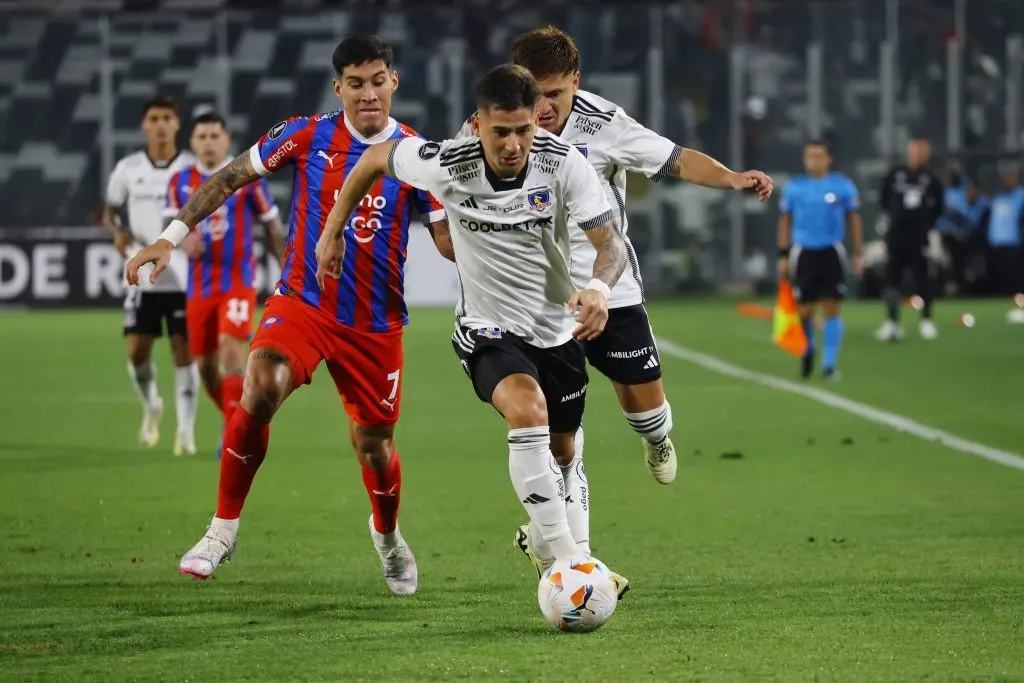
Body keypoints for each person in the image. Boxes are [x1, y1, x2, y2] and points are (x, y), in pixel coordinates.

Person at [125, 35, 447, 594]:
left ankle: (389, 537)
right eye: (355, 83)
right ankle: (221, 530)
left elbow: (445, 240)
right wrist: (170, 237)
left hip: (375, 325)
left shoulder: (418, 154)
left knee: (375, 445)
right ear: (338, 87)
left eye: (377, 81)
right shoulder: (307, 133)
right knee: (260, 383)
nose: (367, 94)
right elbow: (230, 177)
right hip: (303, 301)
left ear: (393, 82)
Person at [315, 63, 631, 595]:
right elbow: (372, 157)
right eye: (500, 131)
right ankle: (572, 564)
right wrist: (333, 230)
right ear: (478, 124)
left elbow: (611, 245)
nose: (513, 144)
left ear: (537, 121)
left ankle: (550, 544)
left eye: (524, 130)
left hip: (556, 329)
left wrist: (598, 291)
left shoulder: (564, 164)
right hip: (486, 328)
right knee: (527, 411)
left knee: (565, 451)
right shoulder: (446, 163)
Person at [487, 26, 772, 574]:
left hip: (610, 289)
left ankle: (657, 439)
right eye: (534, 93)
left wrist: (733, 178)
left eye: (555, 94)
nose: (543, 108)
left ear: (576, 81)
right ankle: (570, 554)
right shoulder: (496, 124)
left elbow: (677, 159)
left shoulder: (604, 124)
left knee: (647, 412)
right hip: (541, 304)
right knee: (559, 438)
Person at [164, 111, 286, 443]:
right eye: (201, 137)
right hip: (200, 287)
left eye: (214, 136)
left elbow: (273, 226)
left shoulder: (247, 177)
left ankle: (234, 435)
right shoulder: (178, 182)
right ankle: (234, 417)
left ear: (226, 139)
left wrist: (286, 270)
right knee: (204, 367)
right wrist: (184, 241)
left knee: (232, 352)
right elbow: (171, 228)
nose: (208, 143)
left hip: (238, 282)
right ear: (192, 142)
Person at [102, 94, 199, 455]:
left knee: (183, 352)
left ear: (177, 124)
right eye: (154, 118)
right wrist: (118, 233)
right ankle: (152, 405)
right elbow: (110, 212)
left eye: (167, 118)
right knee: (137, 350)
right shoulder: (128, 169)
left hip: (186, 277)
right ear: (144, 125)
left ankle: (186, 432)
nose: (160, 125)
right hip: (142, 275)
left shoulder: (191, 167)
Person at [777, 140, 862, 380]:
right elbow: (784, 220)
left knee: (832, 306)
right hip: (804, 252)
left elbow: (853, 219)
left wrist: (858, 252)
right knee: (805, 309)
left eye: (818, 155)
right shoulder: (795, 187)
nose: (813, 160)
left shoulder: (842, 186)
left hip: (830, 251)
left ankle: (829, 365)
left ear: (828, 159)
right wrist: (783, 254)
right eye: (809, 156)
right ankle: (808, 349)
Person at [876, 138, 944, 341]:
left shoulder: (931, 178)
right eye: (914, 151)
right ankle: (892, 322)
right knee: (892, 278)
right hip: (897, 235)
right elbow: (884, 199)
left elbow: (939, 206)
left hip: (920, 236)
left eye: (922, 151)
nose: (917, 155)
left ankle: (926, 321)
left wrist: (925, 224)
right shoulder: (896, 174)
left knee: (924, 278)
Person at [984, 166, 1024, 299]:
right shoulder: (998, 196)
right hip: (996, 243)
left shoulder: (1020, 195)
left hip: (1013, 242)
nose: (1008, 180)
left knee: (1015, 274)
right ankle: (1001, 298)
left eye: (1011, 177)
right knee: (1000, 275)